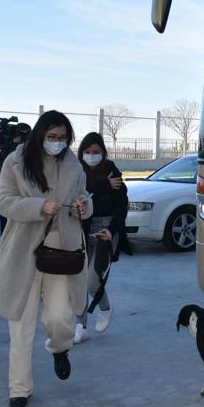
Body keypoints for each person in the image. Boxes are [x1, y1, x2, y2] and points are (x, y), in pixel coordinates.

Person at [0, 110, 92, 407]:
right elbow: (3, 201)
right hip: (23, 247)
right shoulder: (15, 162)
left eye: (62, 138)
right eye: (51, 137)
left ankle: (60, 348)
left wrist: (84, 207)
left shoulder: (75, 165)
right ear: (39, 135)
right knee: (21, 322)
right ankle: (19, 388)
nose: (57, 143)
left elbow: (86, 200)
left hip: (63, 247)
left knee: (59, 316)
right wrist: (39, 206)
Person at [73, 132, 129, 343]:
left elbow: (122, 206)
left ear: (103, 153)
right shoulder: (77, 173)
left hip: (105, 230)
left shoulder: (113, 173)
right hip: (80, 229)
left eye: (96, 152)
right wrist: (103, 186)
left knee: (91, 281)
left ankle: (105, 307)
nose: (91, 155)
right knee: (77, 281)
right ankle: (81, 325)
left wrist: (112, 230)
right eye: (87, 152)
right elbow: (80, 197)